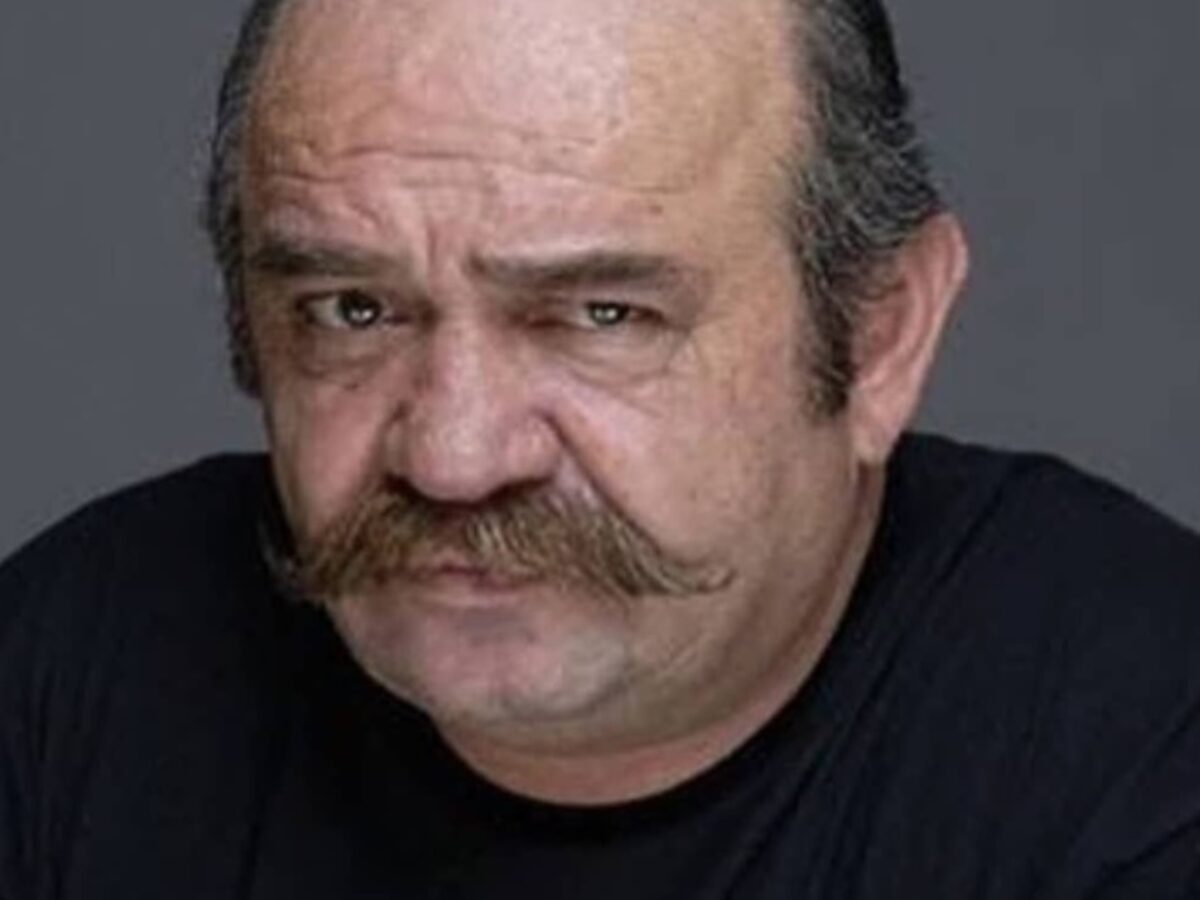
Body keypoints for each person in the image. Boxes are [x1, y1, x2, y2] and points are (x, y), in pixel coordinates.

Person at [1, 0, 1198, 896]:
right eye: (354, 310)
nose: (455, 457)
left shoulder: (1145, 745)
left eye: (602, 315)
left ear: (880, 336)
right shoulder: (72, 669)